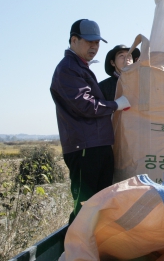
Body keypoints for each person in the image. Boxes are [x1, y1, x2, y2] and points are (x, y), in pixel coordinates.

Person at [50, 19, 131, 224]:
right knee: (84, 207)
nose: (94, 47)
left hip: (98, 145)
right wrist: (115, 105)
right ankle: (74, 252)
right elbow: (84, 105)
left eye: (97, 42)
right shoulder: (68, 68)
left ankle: (92, 249)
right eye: (89, 42)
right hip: (85, 147)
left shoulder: (80, 67)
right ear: (74, 40)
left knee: (99, 205)